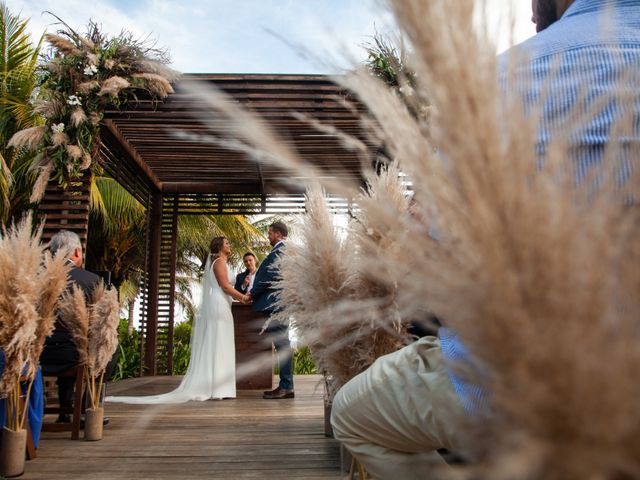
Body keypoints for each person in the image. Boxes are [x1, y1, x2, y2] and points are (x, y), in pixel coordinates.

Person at [330, 1, 640, 479]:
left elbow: (433, 261)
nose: (534, 15)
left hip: (508, 393)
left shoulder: (493, 85)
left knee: (353, 415)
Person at [107, 236, 250, 404]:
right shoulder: (219, 261)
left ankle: (219, 386)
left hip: (223, 304)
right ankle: (217, 388)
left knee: (220, 342)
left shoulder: (221, 262)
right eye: (227, 243)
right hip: (219, 304)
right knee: (218, 343)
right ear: (219, 246)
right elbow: (225, 286)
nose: (230, 244)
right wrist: (242, 298)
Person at [40, 230, 101, 423]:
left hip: (37, 354)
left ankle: (65, 410)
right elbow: (99, 324)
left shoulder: (34, 277)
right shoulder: (91, 280)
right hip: (73, 354)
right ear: (76, 252)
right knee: (107, 350)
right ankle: (85, 408)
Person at [249, 221, 294, 400]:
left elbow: (270, 276)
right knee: (282, 343)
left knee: (282, 344)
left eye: (270, 233)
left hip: (277, 305)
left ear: (278, 233)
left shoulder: (281, 250)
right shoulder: (284, 250)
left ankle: (286, 386)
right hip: (279, 304)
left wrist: (253, 291)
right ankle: (286, 385)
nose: (268, 237)